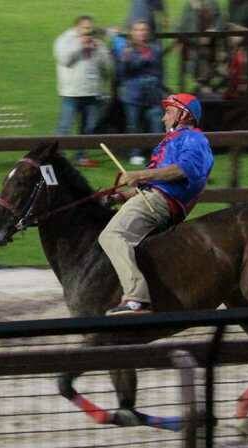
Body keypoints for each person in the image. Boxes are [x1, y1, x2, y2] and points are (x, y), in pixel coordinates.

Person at [97, 93, 214, 315]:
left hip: (161, 202)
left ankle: (136, 298)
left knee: (111, 236)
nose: (163, 118)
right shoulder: (172, 141)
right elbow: (154, 181)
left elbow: (183, 170)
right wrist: (119, 196)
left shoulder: (193, 139)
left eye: (168, 112)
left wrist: (140, 174)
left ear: (183, 115)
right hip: (154, 198)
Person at [53, 15, 114, 167]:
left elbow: (108, 67)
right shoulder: (65, 40)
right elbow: (64, 59)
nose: (88, 31)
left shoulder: (97, 42)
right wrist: (80, 46)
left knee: (88, 128)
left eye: (90, 28)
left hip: (92, 92)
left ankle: (81, 156)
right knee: (64, 126)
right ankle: (57, 156)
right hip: (72, 92)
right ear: (77, 28)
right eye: (85, 28)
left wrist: (99, 50)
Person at [117, 20, 165, 166]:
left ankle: (159, 155)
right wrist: (128, 61)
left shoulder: (155, 49)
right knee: (134, 125)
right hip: (133, 94)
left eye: (144, 30)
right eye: (138, 30)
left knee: (156, 125)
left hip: (153, 94)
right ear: (132, 33)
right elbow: (122, 73)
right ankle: (135, 153)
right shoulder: (127, 50)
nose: (141, 33)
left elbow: (159, 70)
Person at [177, 0, 224, 92]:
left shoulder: (212, 3)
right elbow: (183, 24)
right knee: (196, 70)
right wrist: (179, 40)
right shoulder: (189, 5)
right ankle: (201, 86)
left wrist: (213, 32)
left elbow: (219, 21)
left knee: (205, 67)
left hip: (208, 46)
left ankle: (204, 86)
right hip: (193, 45)